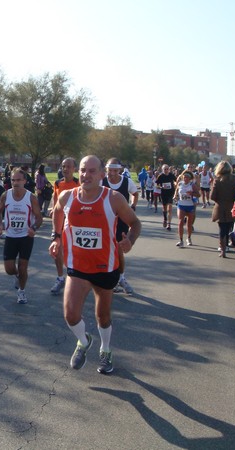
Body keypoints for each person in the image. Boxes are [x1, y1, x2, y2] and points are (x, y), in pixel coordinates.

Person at [49, 155, 141, 373]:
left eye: (91, 171)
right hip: (78, 266)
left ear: (102, 175)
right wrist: (56, 236)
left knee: (103, 317)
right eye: (82, 170)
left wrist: (130, 240)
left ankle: (106, 350)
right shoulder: (67, 196)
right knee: (70, 314)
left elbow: (135, 223)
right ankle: (83, 340)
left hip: (105, 267)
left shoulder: (114, 198)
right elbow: (58, 212)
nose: (85, 175)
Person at [0, 168, 43, 304]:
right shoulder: (6, 195)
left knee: (23, 267)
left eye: (18, 180)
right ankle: (17, 276)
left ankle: (21, 291)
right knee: (9, 269)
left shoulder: (31, 198)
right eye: (13, 180)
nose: (15, 183)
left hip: (26, 236)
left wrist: (33, 228)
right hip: (10, 236)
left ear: (24, 181)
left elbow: (39, 218)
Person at [101, 157, 138, 294]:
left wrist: (133, 205)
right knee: (105, 249)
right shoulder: (102, 181)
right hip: (104, 219)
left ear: (119, 170)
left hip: (121, 220)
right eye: (109, 170)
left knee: (118, 249)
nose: (111, 173)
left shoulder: (126, 181)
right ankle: (108, 278)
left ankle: (121, 278)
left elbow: (134, 193)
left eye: (114, 170)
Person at [49, 157, 79, 295]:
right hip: (60, 221)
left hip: (75, 223)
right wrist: (53, 210)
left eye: (68, 167)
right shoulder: (57, 183)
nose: (65, 169)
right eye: (63, 166)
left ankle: (75, 280)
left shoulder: (78, 184)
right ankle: (60, 278)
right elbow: (56, 202)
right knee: (57, 250)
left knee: (74, 252)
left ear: (74, 169)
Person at [211, 161, 235, 258]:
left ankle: (223, 250)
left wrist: (219, 200)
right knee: (233, 228)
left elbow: (212, 196)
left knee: (222, 230)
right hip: (233, 206)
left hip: (220, 207)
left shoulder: (217, 180)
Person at [173, 170, 198, 248]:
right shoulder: (180, 184)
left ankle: (189, 238)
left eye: (187, 178)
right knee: (180, 221)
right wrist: (175, 196)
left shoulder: (192, 185)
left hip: (190, 205)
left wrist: (192, 193)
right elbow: (176, 191)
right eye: (184, 177)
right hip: (181, 205)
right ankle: (181, 240)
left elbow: (198, 194)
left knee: (189, 223)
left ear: (190, 179)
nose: (185, 179)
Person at [156, 164, 176, 231]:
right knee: (164, 208)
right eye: (165, 169)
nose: (166, 170)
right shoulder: (160, 176)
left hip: (171, 193)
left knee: (169, 208)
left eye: (167, 169)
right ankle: (165, 218)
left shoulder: (171, 175)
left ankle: (169, 224)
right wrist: (161, 187)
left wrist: (175, 185)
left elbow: (176, 181)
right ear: (162, 170)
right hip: (164, 194)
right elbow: (157, 185)